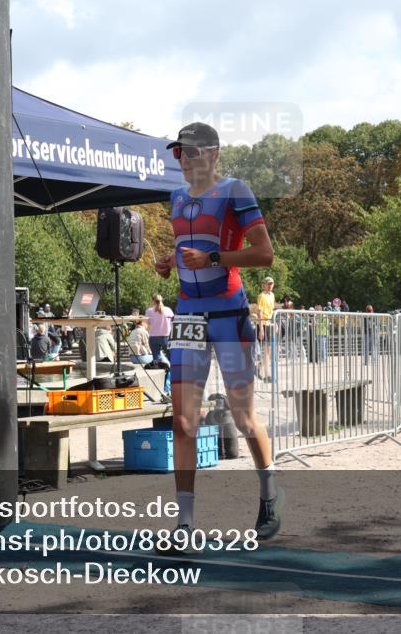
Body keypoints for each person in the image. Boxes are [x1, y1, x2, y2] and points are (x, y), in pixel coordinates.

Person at [153, 121, 281, 550]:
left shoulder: (235, 190)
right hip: (189, 313)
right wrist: (170, 264)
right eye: (179, 154)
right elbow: (186, 247)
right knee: (184, 422)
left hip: (229, 314)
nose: (185, 161)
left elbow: (264, 254)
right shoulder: (175, 197)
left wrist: (211, 256)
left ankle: (268, 495)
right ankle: (185, 526)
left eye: (192, 152)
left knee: (243, 418)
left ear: (213, 154)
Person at [256, 277, 276, 383]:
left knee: (270, 351)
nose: (270, 285)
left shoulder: (272, 295)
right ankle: (267, 375)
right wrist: (261, 329)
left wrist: (274, 322)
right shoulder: (261, 296)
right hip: (262, 324)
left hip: (269, 323)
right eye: (268, 283)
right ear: (264, 284)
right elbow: (259, 312)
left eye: (271, 283)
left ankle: (260, 365)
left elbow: (272, 310)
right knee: (266, 351)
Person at [145, 294, 174, 366]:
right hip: (166, 337)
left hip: (153, 337)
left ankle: (159, 370)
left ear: (153, 301)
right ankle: (174, 372)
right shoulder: (168, 310)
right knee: (171, 357)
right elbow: (173, 323)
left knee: (156, 359)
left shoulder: (149, 311)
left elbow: (147, 324)